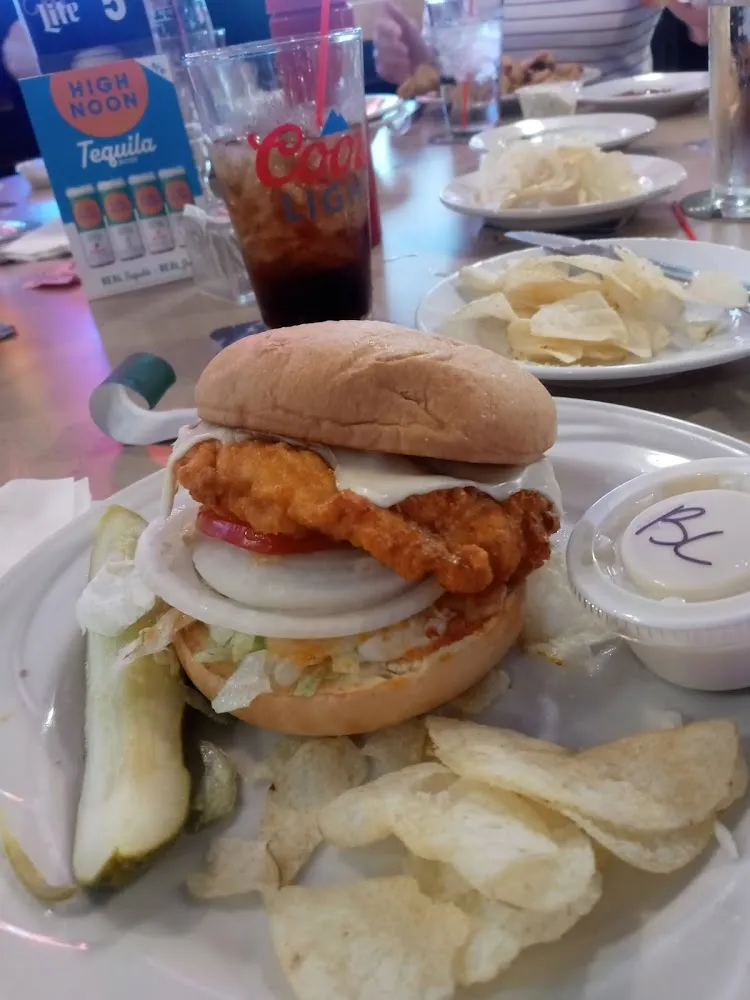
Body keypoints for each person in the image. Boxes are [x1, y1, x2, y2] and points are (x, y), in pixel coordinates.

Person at [374, 0, 708, 89]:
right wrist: (416, 64)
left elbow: (709, 27)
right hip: (488, 157)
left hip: (626, 142)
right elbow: (448, 70)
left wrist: (701, 14)